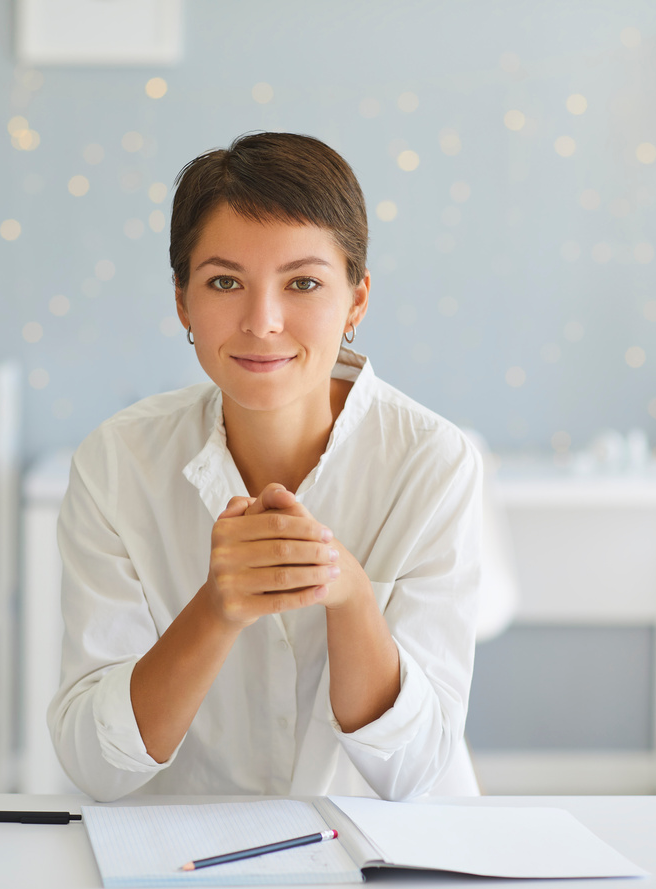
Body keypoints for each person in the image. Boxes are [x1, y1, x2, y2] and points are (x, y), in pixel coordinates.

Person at [49, 132, 483, 802]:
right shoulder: (116, 462)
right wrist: (217, 608)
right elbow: (98, 765)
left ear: (356, 301)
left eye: (303, 282)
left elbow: (415, 768)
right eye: (225, 281)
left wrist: (349, 594)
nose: (262, 321)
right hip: (182, 856)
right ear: (182, 301)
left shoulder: (433, 460)